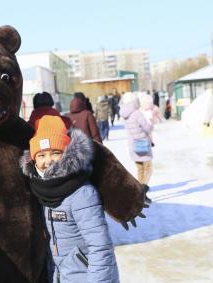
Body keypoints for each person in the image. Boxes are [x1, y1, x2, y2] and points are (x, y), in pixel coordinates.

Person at [20, 115, 119, 283]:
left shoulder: (81, 193)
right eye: (41, 155)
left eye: (55, 153)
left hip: (88, 277)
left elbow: (100, 246)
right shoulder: (40, 190)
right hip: (61, 276)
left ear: (67, 154)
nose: (48, 161)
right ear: (33, 159)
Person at [119, 92, 153, 202]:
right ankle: (141, 192)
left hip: (133, 145)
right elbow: (147, 128)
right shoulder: (137, 113)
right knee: (148, 168)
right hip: (142, 143)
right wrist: (151, 125)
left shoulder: (124, 114)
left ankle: (141, 193)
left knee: (140, 168)